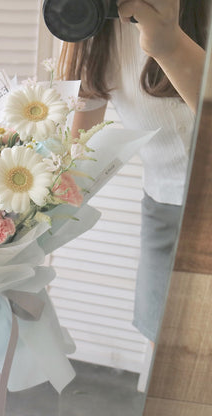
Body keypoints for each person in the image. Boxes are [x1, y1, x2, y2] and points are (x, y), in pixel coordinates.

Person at [58, 0, 210, 343]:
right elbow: (78, 158)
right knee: (171, 343)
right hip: (165, 209)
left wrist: (169, 45)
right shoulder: (93, 24)